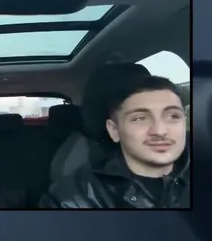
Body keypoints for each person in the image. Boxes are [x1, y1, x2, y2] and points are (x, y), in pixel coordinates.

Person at [41, 74, 189, 209]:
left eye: (173, 116)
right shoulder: (69, 200)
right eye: (140, 118)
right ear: (114, 130)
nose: (160, 131)